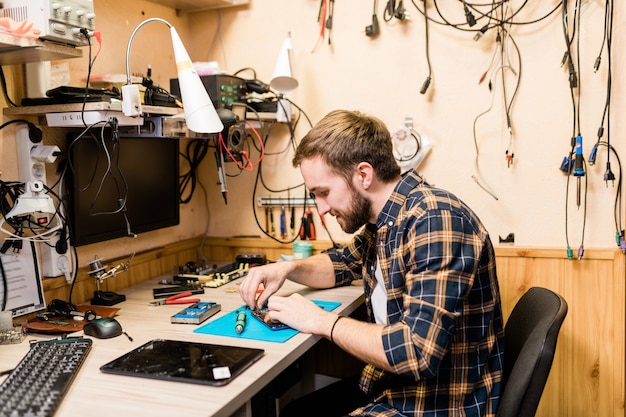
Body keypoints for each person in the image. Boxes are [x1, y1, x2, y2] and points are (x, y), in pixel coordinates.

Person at [239, 110, 505, 417]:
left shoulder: (434, 220)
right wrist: (285, 269)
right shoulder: (385, 222)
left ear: (364, 175)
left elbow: (417, 353)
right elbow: (340, 263)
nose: (322, 208)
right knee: (295, 411)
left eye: (324, 193)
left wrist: (321, 322)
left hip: (436, 405)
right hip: (397, 388)